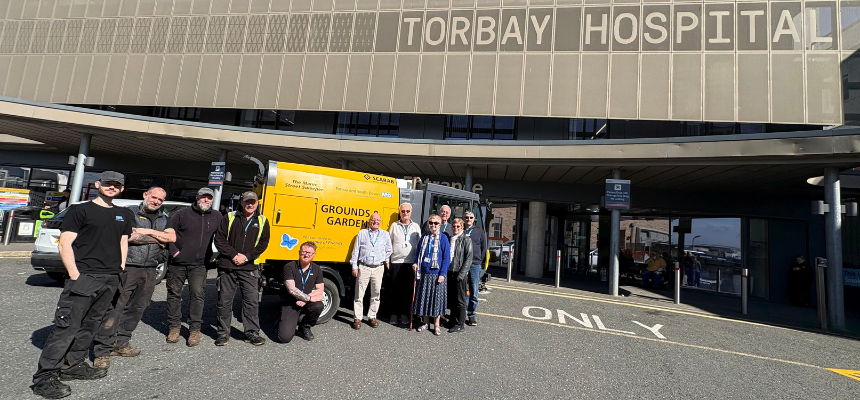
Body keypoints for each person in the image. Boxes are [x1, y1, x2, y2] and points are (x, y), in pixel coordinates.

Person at [32, 171, 135, 399]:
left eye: (117, 184)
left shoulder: (123, 214)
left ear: (122, 189)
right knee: (66, 327)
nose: (112, 187)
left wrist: (120, 268)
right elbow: (65, 244)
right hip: (85, 277)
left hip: (111, 278)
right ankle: (45, 377)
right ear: (97, 184)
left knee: (91, 325)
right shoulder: (81, 210)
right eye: (107, 183)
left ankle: (73, 365)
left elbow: (123, 242)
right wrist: (75, 274)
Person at [92, 187, 175, 369]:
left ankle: (121, 343)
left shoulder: (163, 218)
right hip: (127, 266)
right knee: (115, 308)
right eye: (154, 197)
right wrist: (157, 238)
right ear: (145, 195)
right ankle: (102, 351)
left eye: (160, 200)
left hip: (150, 269)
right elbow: (129, 236)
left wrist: (149, 233)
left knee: (138, 308)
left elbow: (170, 238)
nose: (156, 202)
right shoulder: (129, 213)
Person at [164, 187, 222, 347]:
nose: (206, 200)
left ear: (212, 200)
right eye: (203, 197)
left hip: (200, 265)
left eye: (209, 198)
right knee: (174, 294)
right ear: (197, 197)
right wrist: (174, 252)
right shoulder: (182, 214)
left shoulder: (217, 216)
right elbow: (168, 233)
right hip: (178, 263)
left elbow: (223, 237)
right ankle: (174, 327)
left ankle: (194, 329)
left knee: (197, 295)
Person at [213, 191, 271, 346]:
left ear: (257, 203)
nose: (250, 204)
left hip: (249, 266)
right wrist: (233, 255)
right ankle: (223, 333)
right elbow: (219, 239)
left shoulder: (263, 221)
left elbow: (263, 244)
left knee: (251, 301)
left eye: (253, 202)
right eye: (247, 202)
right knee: (224, 300)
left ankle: (251, 332)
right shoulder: (229, 217)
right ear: (242, 202)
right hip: (228, 265)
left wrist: (245, 257)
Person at [349, 212, 393, 329]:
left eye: (378, 220)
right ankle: (357, 318)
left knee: (376, 294)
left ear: (380, 222)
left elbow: (389, 250)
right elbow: (356, 251)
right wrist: (354, 266)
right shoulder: (362, 233)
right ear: (369, 221)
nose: (376, 222)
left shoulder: (385, 234)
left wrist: (383, 259)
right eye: (373, 219)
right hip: (364, 267)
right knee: (359, 294)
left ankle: (372, 316)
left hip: (378, 268)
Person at [412, 214, 451, 336]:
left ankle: (437, 324)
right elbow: (418, 253)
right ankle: (425, 323)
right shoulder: (424, 237)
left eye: (436, 223)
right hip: (424, 273)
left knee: (436, 301)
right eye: (431, 223)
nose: (433, 225)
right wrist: (415, 263)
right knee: (424, 299)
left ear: (440, 225)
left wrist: (442, 274)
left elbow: (446, 258)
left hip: (437, 274)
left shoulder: (443, 238)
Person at [278, 242, 325, 343]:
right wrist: (309, 298)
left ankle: (305, 326)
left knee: (318, 306)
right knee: (284, 338)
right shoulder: (289, 267)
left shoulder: (317, 269)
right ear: (299, 252)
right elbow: (291, 289)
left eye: (309, 253)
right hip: (290, 303)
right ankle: (280, 320)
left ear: (314, 255)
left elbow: (320, 290)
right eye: (304, 251)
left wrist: (306, 299)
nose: (306, 254)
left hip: (305, 301)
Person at [387, 202, 421, 326]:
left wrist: (418, 262)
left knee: (407, 290)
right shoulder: (394, 226)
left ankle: (404, 314)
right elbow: (388, 243)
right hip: (396, 261)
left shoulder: (416, 226)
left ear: (411, 213)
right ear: (399, 212)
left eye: (407, 211)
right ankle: (394, 314)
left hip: (411, 263)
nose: (405, 213)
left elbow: (420, 245)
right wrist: (387, 260)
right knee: (395, 289)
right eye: (403, 211)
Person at [446, 218, 473, 333]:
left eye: (458, 226)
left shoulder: (466, 239)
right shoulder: (451, 238)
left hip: (459, 273)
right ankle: (452, 320)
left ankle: (460, 324)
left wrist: (461, 274)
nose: (455, 228)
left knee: (460, 300)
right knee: (452, 299)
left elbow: (468, 259)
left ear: (462, 227)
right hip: (450, 272)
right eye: (454, 226)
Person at [462, 210, 487, 326]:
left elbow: (483, 247)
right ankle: (459, 314)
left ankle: (471, 315)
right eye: (466, 217)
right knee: (460, 290)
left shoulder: (479, 231)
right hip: (461, 264)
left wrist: (479, 261)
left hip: (474, 264)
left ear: (474, 219)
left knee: (474, 291)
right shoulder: (459, 229)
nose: (468, 219)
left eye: (471, 217)